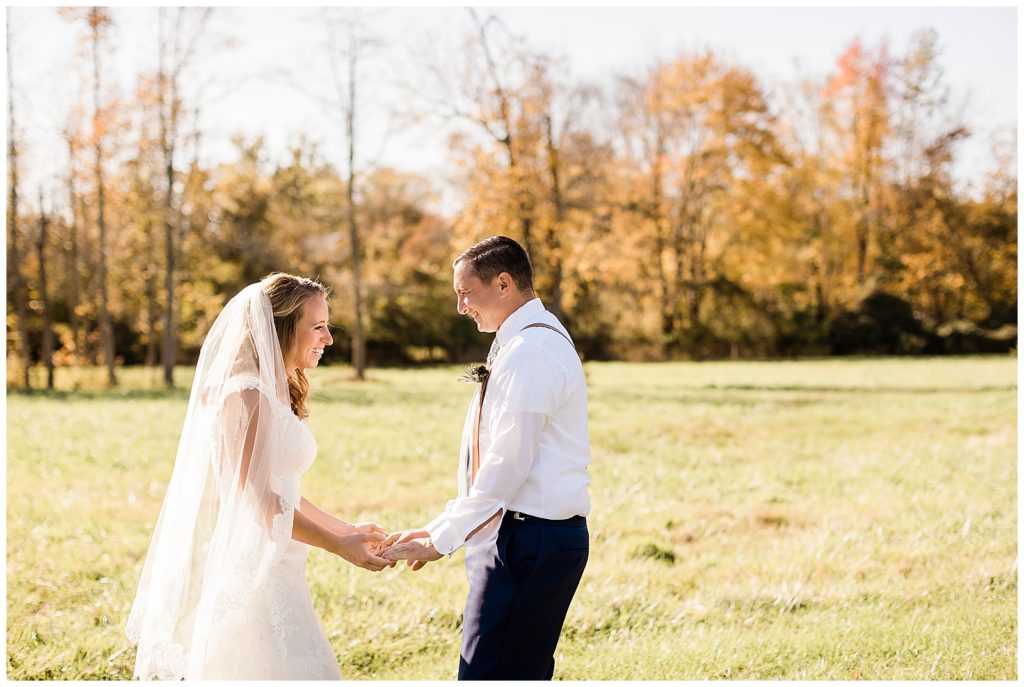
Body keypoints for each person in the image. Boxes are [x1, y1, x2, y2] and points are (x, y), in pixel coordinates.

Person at [126, 273, 392, 680]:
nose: (329, 339)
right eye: (318, 327)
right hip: (257, 570)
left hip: (281, 560)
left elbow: (279, 489)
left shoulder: (273, 390)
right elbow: (257, 502)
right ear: (282, 327)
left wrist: (345, 527)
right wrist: (339, 545)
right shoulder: (245, 395)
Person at [382, 236, 591, 680]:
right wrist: (443, 525)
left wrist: (443, 538)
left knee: (489, 675)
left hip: (527, 541)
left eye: (465, 293)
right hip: (519, 534)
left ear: (503, 284)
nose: (460, 307)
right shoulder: (523, 342)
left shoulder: (532, 350)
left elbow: (507, 465)